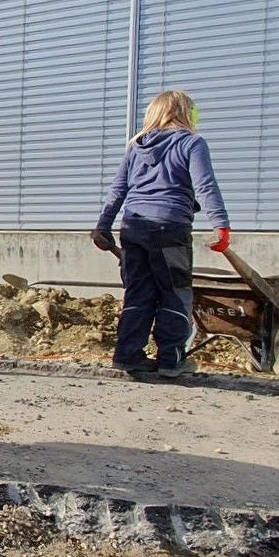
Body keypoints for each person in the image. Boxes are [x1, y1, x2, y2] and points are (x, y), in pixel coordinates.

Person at [92, 89, 232, 379]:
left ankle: (128, 355)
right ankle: (171, 359)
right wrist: (221, 224)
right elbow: (205, 185)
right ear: (184, 113)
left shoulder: (136, 147)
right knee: (174, 293)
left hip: (133, 227)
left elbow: (117, 191)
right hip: (170, 228)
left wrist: (103, 226)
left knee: (138, 293)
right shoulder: (193, 143)